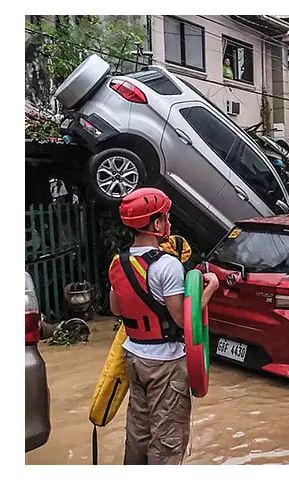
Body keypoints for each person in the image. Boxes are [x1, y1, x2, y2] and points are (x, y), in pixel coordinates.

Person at [109, 188, 219, 465]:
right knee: (167, 439)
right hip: (165, 362)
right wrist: (210, 290)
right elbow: (185, 320)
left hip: (133, 355)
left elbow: (116, 310)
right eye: (166, 218)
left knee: (139, 431)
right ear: (157, 224)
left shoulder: (119, 263)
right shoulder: (167, 265)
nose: (168, 223)